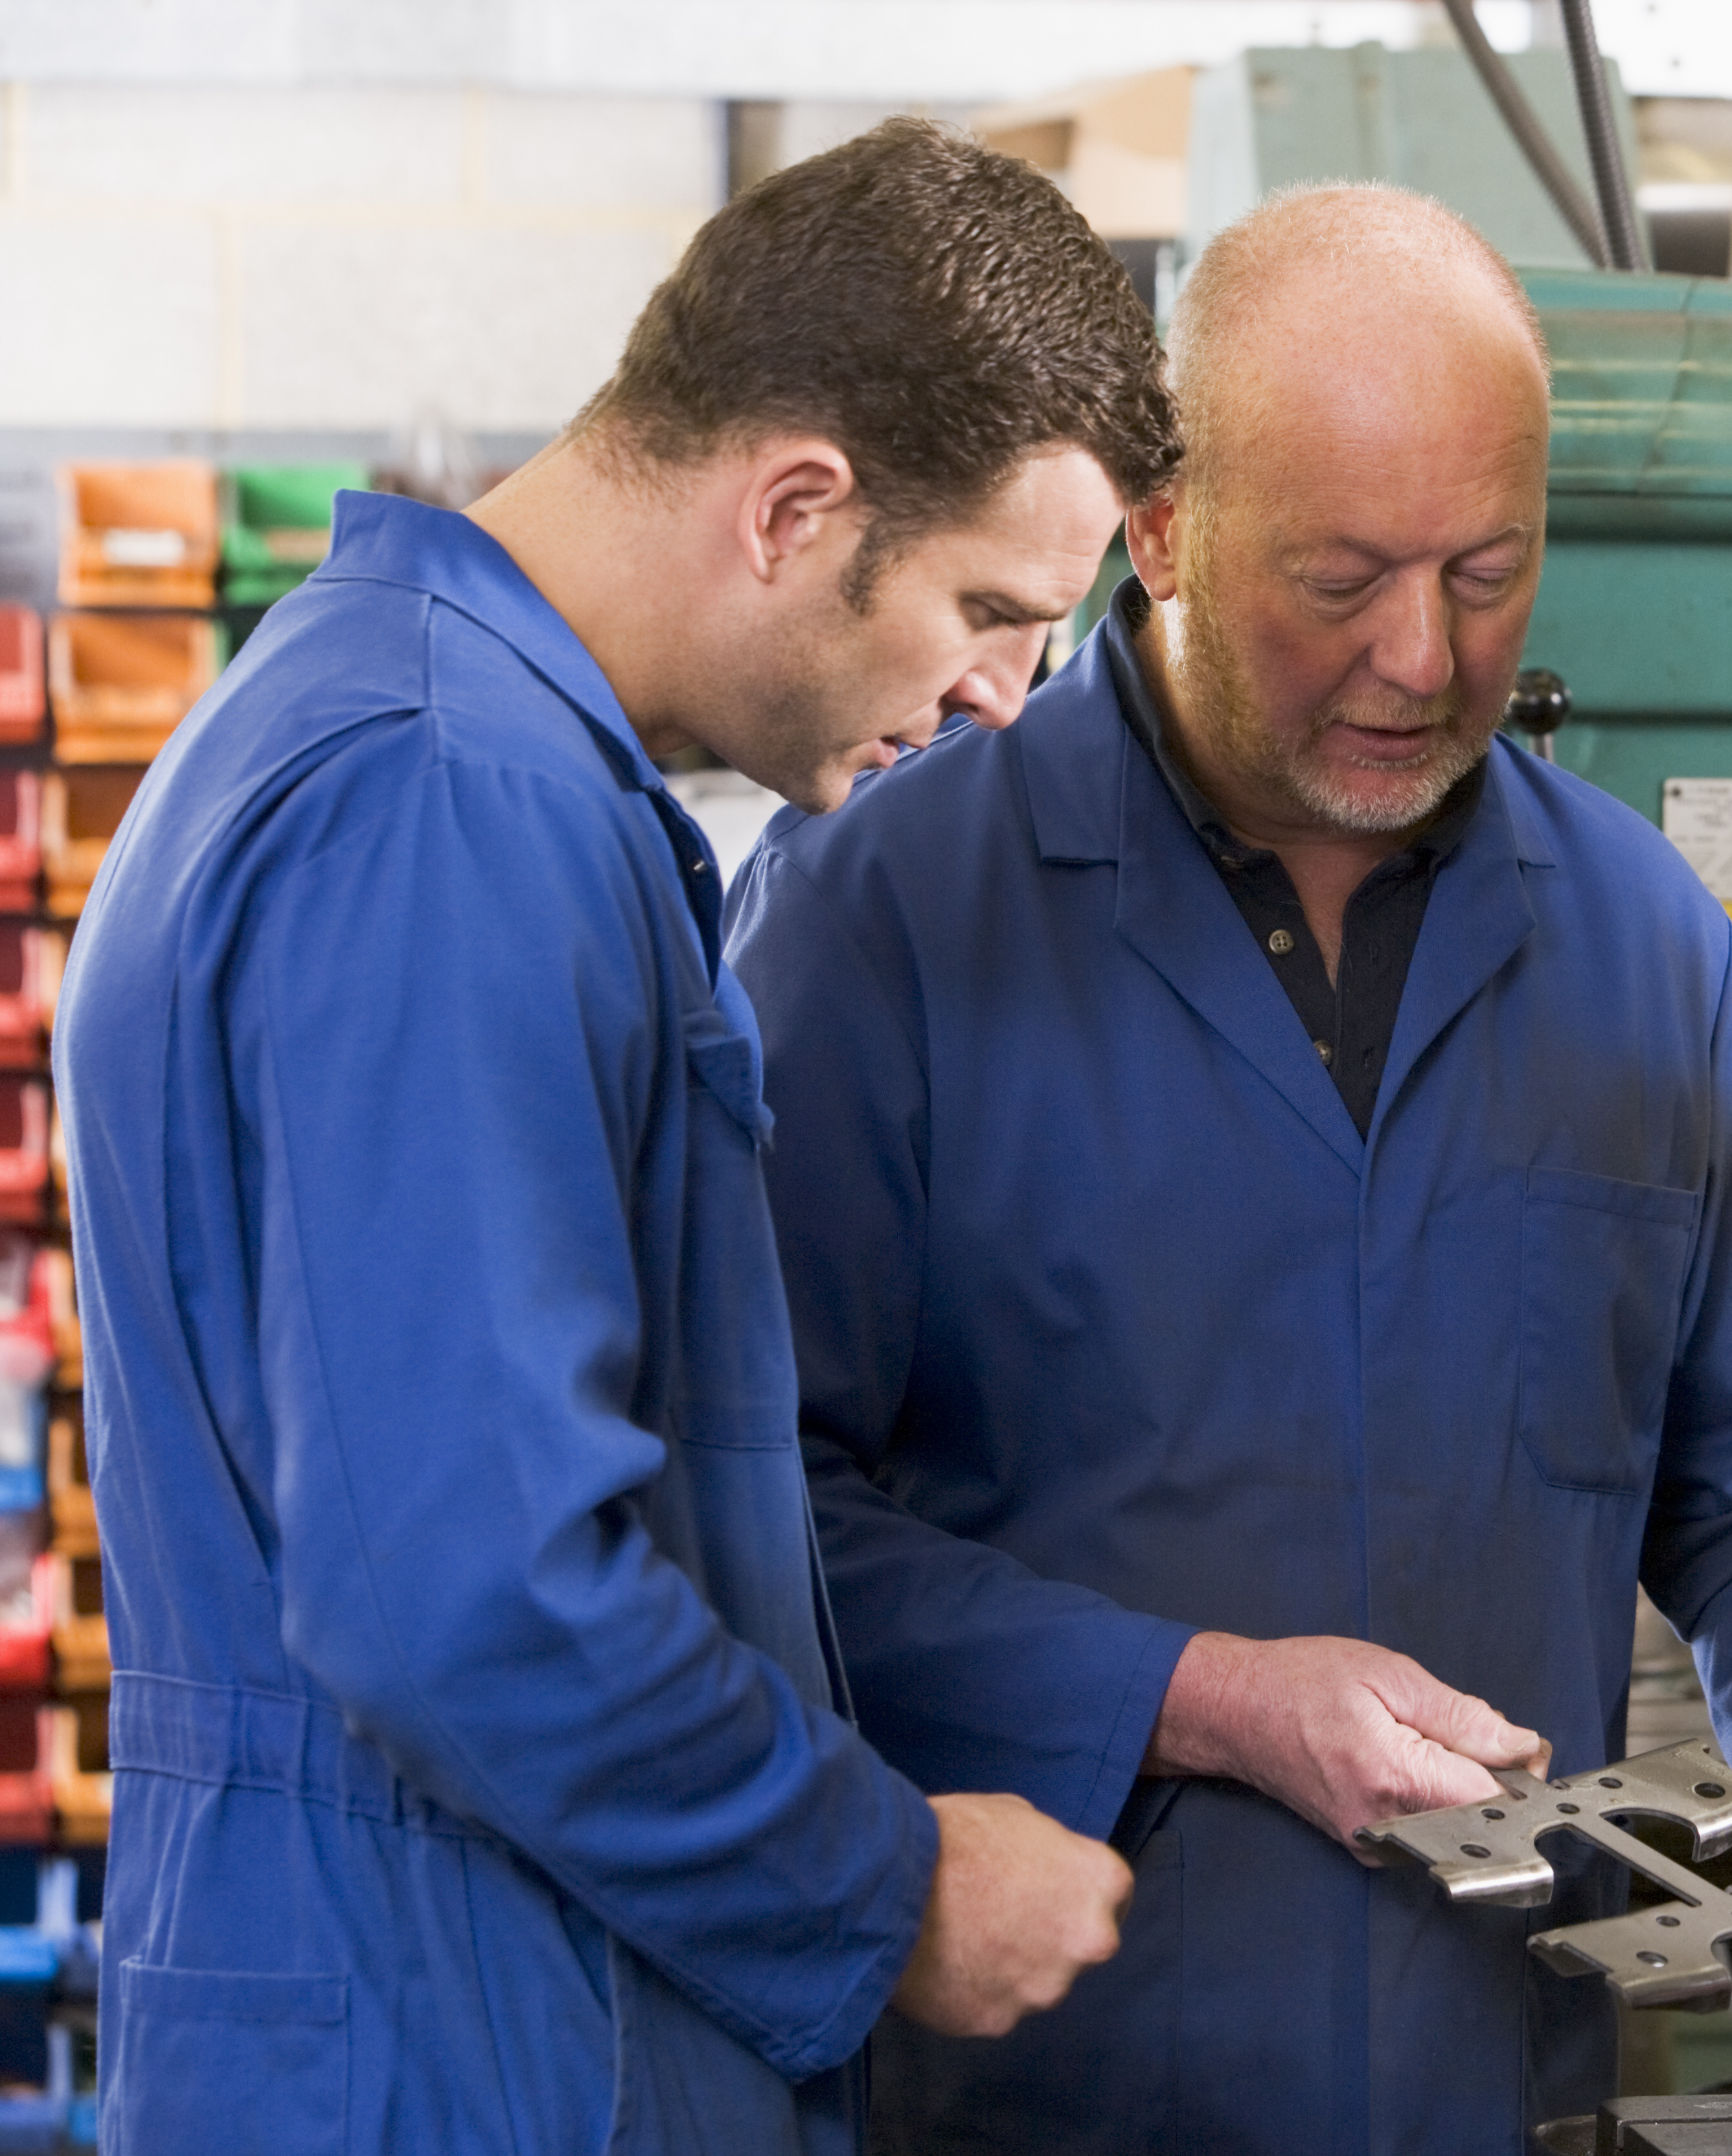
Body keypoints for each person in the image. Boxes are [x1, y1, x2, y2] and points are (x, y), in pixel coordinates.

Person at [722, 182, 1732, 2156]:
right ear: (1155, 530)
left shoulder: (1637, 939)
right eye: (1340, 581)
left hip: (1491, 2085)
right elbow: (754, 1522)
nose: (1422, 657)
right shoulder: (882, 910)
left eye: (1487, 574)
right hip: (1031, 2088)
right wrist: (1189, 1692)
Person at [57, 120, 1181, 2155]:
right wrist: (893, 1883)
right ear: (796, 506)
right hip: (454, 2053)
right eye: (993, 609)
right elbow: (466, 1589)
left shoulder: (445, 746)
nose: (1012, 698)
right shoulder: (444, 805)